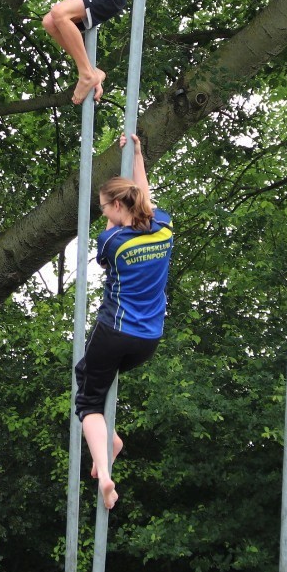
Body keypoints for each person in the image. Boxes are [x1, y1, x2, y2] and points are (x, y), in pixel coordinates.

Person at [75, 134, 173, 509]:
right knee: (95, 380)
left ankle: (104, 470)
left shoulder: (111, 241)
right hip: (148, 340)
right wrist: (137, 155)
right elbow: (143, 198)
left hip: (115, 331)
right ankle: (110, 440)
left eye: (105, 208)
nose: (104, 215)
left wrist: (136, 158)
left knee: (88, 401)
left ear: (118, 205)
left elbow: (133, 205)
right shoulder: (165, 227)